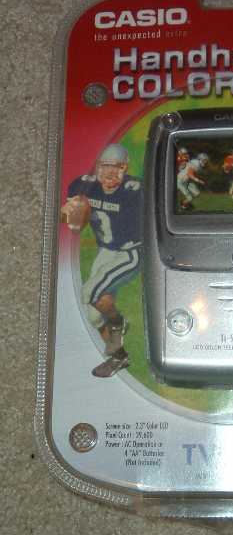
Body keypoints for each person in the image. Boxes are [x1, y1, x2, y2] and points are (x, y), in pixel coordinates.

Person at [61, 143, 142, 377]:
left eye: (117, 167)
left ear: (125, 169)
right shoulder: (84, 185)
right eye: (105, 166)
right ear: (97, 166)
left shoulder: (135, 190)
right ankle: (119, 357)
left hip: (130, 252)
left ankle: (118, 322)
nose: (110, 173)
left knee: (89, 291)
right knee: (93, 314)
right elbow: (67, 218)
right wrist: (70, 213)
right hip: (105, 251)